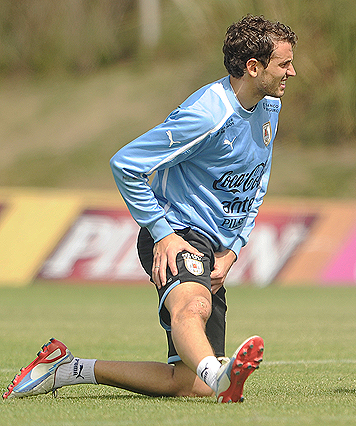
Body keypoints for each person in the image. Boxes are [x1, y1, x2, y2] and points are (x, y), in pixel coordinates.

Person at [4, 15, 297, 403]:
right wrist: (163, 233)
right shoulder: (207, 114)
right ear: (253, 67)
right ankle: (219, 372)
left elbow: (258, 179)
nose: (293, 71)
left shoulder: (268, 107)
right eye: (284, 63)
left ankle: (68, 368)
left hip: (216, 247)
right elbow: (126, 164)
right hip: (180, 232)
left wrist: (233, 249)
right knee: (193, 307)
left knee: (188, 385)